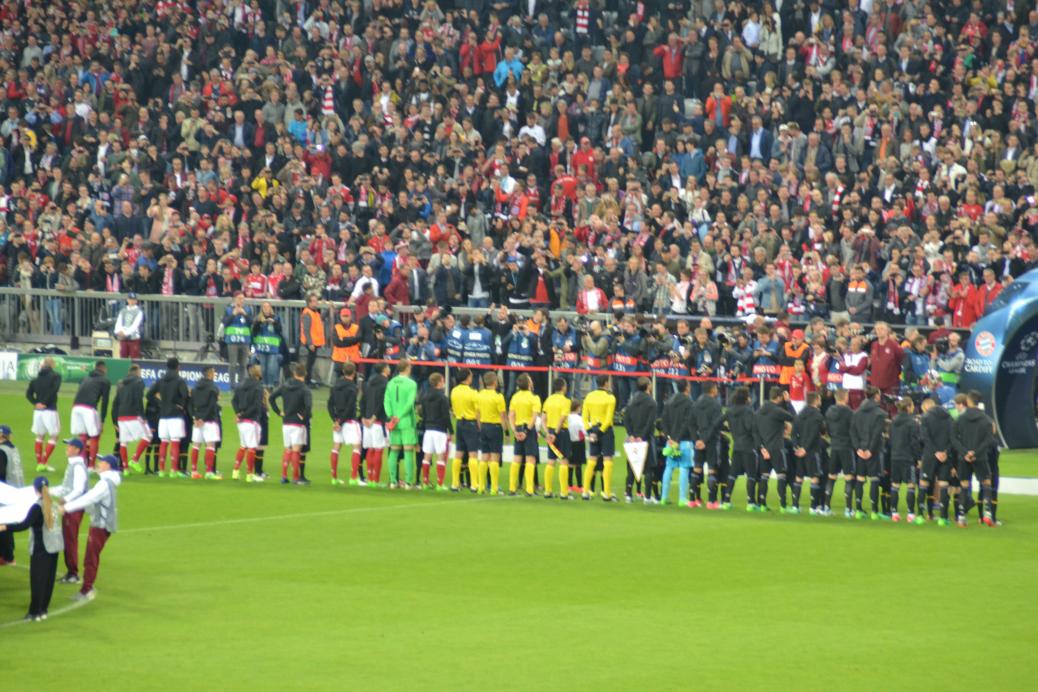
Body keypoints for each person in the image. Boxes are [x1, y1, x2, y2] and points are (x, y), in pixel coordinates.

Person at [57, 453, 122, 602]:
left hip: (101, 525)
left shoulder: (104, 483)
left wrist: (67, 507)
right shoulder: (108, 482)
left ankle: (87, 589)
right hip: (102, 524)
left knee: (91, 557)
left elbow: (89, 498)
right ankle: (86, 587)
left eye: (102, 462)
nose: (99, 464)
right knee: (91, 557)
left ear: (108, 466)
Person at [0, 476, 63, 621]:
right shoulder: (51, 504)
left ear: (35, 489)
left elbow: (24, 525)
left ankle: (34, 612)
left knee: (37, 580)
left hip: (41, 547)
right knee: (48, 579)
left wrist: (5, 526)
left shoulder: (37, 506)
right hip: (55, 545)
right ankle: (43, 610)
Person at [952, 392, 996, 527]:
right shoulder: (986, 419)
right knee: (986, 482)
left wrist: (965, 453)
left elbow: (954, 438)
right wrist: (976, 452)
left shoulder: (960, 418)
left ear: (968, 401)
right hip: (980, 456)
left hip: (963, 458)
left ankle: (961, 517)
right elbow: (989, 439)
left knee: (964, 485)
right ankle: (988, 514)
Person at [49, 438, 89, 583]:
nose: (67, 448)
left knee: (70, 539)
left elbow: (79, 489)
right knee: (68, 538)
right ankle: (71, 571)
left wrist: (65, 500)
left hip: (74, 508)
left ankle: (73, 573)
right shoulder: (73, 465)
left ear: (77, 450)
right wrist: (48, 490)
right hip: (70, 507)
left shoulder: (78, 466)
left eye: (70, 446)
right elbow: (66, 487)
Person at [270, 363, 313, 485]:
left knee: (288, 449)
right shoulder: (305, 389)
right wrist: (303, 416)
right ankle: (296, 477)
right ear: (305, 374)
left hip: (286, 422)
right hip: (297, 424)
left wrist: (279, 412)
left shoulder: (285, 386)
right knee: (296, 450)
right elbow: (309, 406)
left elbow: (271, 398)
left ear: (295, 374)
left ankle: (284, 476)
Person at [851, 387, 889, 520]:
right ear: (877, 396)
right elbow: (876, 434)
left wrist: (858, 448)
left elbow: (853, 432)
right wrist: (870, 450)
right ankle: (874, 511)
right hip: (874, 451)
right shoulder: (880, 413)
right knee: (874, 479)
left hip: (860, 450)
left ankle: (859, 510)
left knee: (860, 479)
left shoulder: (856, 413)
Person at [754, 387, 794, 512]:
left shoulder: (759, 411)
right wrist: (788, 403)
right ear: (779, 397)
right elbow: (793, 417)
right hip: (777, 448)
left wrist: (761, 447)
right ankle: (783, 506)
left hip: (764, 449)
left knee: (764, 477)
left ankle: (762, 504)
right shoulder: (777, 411)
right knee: (781, 476)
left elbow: (754, 432)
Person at [150, 357, 190, 478]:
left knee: (164, 442)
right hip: (175, 416)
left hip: (163, 416)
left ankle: (161, 470)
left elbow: (149, 394)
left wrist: (160, 403)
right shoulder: (180, 380)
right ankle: (173, 470)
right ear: (178, 367)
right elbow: (185, 396)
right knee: (175, 443)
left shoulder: (161, 380)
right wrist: (181, 406)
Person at [384, 359, 419, 489]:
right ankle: (409, 483)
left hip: (393, 421)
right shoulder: (412, 384)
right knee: (408, 451)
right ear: (407, 368)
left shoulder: (390, 383)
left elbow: (386, 401)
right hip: (405, 421)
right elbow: (410, 403)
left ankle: (393, 481)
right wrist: (399, 416)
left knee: (394, 451)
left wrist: (391, 416)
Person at [581, 375, 617, 502]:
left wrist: (591, 432)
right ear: (606, 383)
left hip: (592, 429)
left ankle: (585, 491)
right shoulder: (610, 398)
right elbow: (608, 419)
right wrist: (600, 432)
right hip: (605, 431)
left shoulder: (589, 396)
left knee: (592, 460)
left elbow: (584, 417)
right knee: (607, 460)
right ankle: (606, 493)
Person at [622, 376, 656, 504]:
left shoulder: (632, 401)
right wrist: (642, 436)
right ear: (648, 386)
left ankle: (628, 495)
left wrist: (631, 434)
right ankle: (647, 497)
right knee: (648, 469)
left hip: (632, 439)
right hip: (646, 438)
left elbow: (626, 419)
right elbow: (650, 422)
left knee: (632, 466)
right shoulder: (651, 402)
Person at [659, 380, 694, 506]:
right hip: (684, 441)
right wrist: (678, 439)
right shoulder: (689, 402)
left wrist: (669, 437)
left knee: (669, 467)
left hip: (670, 441)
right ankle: (682, 498)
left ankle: (663, 497)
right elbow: (687, 422)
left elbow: (663, 421)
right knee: (684, 467)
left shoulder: (669, 402)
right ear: (686, 387)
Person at [691, 382, 725, 509]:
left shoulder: (695, 404)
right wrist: (704, 440)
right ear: (712, 389)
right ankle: (712, 501)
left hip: (698, 441)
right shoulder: (716, 405)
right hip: (711, 440)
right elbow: (715, 424)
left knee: (697, 468)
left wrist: (696, 440)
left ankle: (692, 500)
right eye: (716, 388)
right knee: (712, 469)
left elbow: (691, 424)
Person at [70, 361, 110, 468]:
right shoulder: (105, 381)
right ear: (104, 369)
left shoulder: (85, 378)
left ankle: (82, 463)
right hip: (89, 408)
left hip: (76, 407)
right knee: (94, 437)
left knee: (82, 436)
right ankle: (91, 466)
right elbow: (105, 401)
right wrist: (102, 420)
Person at [791, 391, 826, 515]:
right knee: (814, 477)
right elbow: (814, 434)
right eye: (820, 399)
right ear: (816, 400)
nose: (820, 401)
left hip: (799, 451)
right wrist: (805, 448)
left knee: (799, 477)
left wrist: (796, 447)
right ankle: (813, 507)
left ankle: (795, 506)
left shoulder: (799, 414)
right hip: (812, 451)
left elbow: (793, 433)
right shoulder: (818, 415)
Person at [723, 387, 758, 510]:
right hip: (748, 447)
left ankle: (726, 500)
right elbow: (750, 428)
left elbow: (718, 423)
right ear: (745, 398)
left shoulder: (729, 411)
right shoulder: (748, 412)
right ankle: (751, 502)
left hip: (736, 446)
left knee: (732, 474)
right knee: (751, 475)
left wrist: (729, 430)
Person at [507, 373, 541, 496]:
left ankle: (512, 488)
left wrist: (515, 430)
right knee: (530, 459)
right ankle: (529, 489)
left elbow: (510, 415)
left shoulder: (515, 397)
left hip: (518, 428)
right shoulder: (534, 398)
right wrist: (527, 431)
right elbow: (534, 417)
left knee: (517, 458)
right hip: (528, 429)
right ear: (528, 383)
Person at [111, 363, 149, 473]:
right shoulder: (139, 381)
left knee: (123, 442)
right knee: (148, 436)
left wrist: (114, 420)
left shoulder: (120, 383)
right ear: (137, 372)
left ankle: (126, 468)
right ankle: (135, 459)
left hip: (121, 416)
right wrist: (142, 415)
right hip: (133, 414)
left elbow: (115, 403)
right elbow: (139, 399)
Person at [26, 356, 62, 472]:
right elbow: (54, 390)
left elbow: (28, 394)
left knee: (40, 436)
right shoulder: (56, 376)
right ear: (52, 365)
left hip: (38, 412)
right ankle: (44, 462)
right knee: (54, 435)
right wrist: (45, 403)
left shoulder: (35, 379)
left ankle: (39, 464)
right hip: (49, 410)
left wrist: (36, 403)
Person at [328, 361, 361, 486]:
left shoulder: (335, 386)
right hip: (350, 421)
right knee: (356, 447)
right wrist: (341, 421)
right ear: (354, 373)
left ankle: (334, 477)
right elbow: (349, 406)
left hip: (337, 421)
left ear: (343, 371)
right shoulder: (353, 388)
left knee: (336, 447)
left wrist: (335, 420)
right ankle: (353, 477)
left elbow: (329, 404)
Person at [417, 372, 452, 490]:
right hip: (440, 430)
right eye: (443, 381)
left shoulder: (425, 396)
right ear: (439, 382)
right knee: (440, 456)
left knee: (427, 455)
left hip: (428, 429)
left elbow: (424, 414)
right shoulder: (443, 398)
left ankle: (425, 482)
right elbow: (446, 416)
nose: (444, 383)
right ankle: (440, 484)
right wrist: (450, 430)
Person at [888, 398, 921, 523]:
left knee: (895, 485)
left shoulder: (893, 421)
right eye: (912, 405)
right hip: (908, 458)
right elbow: (915, 443)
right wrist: (918, 458)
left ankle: (894, 513)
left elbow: (890, 440)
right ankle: (910, 514)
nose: (913, 407)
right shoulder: (912, 423)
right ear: (908, 407)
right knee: (911, 485)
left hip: (895, 457)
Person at [824, 389, 855, 517]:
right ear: (845, 397)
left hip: (834, 446)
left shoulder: (829, 411)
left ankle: (826, 507)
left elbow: (828, 429)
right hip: (846, 447)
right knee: (848, 477)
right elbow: (853, 429)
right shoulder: (849, 412)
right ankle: (848, 509)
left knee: (831, 477)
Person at [231, 364, 265, 482]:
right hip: (251, 421)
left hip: (241, 422)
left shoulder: (241, 385)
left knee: (243, 446)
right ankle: (250, 474)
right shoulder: (258, 387)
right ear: (257, 373)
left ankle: (235, 472)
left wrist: (238, 414)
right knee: (252, 448)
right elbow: (256, 406)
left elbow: (234, 400)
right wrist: (244, 415)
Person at [188, 365, 223, 480]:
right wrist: (203, 418)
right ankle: (209, 472)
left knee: (196, 445)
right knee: (210, 445)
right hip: (209, 420)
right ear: (209, 374)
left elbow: (190, 404)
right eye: (213, 372)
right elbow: (212, 406)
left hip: (197, 421)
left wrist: (195, 416)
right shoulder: (213, 387)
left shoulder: (195, 387)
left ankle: (194, 471)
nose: (215, 374)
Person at [475, 371, 507, 495]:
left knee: (484, 457)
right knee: (494, 458)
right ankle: (494, 488)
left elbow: (477, 413)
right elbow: (502, 415)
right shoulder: (498, 397)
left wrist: (480, 426)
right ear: (495, 382)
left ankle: (481, 486)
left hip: (483, 426)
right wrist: (506, 431)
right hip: (495, 427)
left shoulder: (480, 395)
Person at [540, 378, 572, 499]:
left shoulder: (548, 400)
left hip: (550, 432)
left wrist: (548, 433)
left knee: (551, 461)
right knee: (563, 461)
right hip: (561, 432)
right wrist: (556, 433)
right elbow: (562, 418)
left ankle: (548, 491)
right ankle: (564, 493)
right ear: (563, 387)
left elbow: (543, 418)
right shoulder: (565, 401)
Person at [449, 368, 480, 492]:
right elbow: (477, 412)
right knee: (473, 454)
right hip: (470, 423)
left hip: (459, 423)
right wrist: (479, 427)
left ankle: (454, 483)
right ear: (467, 378)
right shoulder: (473, 393)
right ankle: (474, 484)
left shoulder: (454, 391)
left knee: (459, 453)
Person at [0, 424, 26, 564]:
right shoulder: (13, 449)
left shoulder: (1, 451)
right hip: (16, 489)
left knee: (3, 523)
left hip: (6, 491)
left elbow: (1, 473)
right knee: (7, 523)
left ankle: (7, 556)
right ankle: (8, 554)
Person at [361, 362, 390, 486]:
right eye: (388, 367)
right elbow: (382, 402)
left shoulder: (368, 383)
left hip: (366, 421)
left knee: (370, 449)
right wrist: (374, 417)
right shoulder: (386, 384)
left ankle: (370, 477)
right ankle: (375, 480)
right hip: (378, 421)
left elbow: (362, 401)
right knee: (378, 450)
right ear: (384, 369)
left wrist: (363, 416)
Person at [222, 292, 253, 387]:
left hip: (244, 340)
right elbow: (225, 323)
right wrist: (233, 314)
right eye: (239, 298)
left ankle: (242, 384)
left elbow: (251, 322)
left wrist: (245, 314)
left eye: (243, 298)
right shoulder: (228, 309)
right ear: (234, 299)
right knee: (233, 364)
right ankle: (232, 385)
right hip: (232, 341)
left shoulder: (248, 309)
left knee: (243, 364)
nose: (241, 300)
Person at [252, 302, 286, 388]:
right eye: (264, 307)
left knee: (271, 368)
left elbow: (279, 330)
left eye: (268, 307)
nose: (266, 309)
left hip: (272, 348)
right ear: (262, 309)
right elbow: (254, 333)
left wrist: (274, 323)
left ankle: (270, 385)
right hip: (262, 348)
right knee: (263, 369)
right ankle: (264, 385)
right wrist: (259, 323)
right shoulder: (258, 318)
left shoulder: (276, 318)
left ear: (271, 308)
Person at [299, 294, 326, 387]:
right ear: (309, 302)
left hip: (315, 342)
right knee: (310, 363)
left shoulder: (315, 313)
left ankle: (308, 380)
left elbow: (320, 319)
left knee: (311, 362)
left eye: (316, 301)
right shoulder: (307, 313)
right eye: (314, 301)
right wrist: (310, 343)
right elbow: (306, 330)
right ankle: (307, 381)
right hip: (311, 342)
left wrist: (329, 309)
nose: (316, 303)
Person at [331, 307, 362, 378]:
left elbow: (357, 339)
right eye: (343, 316)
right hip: (340, 359)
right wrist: (352, 341)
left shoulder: (356, 327)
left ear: (350, 317)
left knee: (353, 380)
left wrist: (343, 339)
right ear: (340, 317)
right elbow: (337, 343)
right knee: (339, 379)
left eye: (347, 316)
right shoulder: (336, 327)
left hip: (353, 358)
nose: (345, 318)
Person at [113, 292, 144, 358]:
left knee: (134, 359)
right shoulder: (123, 311)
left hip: (134, 338)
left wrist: (125, 333)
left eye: (133, 299)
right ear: (127, 300)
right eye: (130, 299)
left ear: (136, 301)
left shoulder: (139, 312)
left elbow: (135, 325)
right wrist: (118, 331)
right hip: (123, 339)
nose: (132, 301)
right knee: (123, 358)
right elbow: (118, 323)